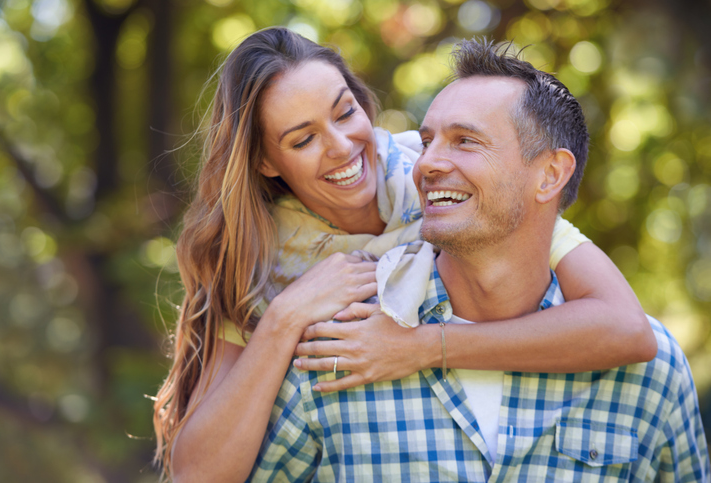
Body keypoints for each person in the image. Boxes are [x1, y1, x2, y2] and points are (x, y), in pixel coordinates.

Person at [152, 28, 658, 482]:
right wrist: (286, 315)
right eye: (303, 139)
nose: (341, 146)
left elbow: (626, 329)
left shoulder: (448, 181)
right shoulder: (258, 258)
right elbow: (197, 474)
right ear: (264, 160)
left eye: (345, 112)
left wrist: (420, 347)